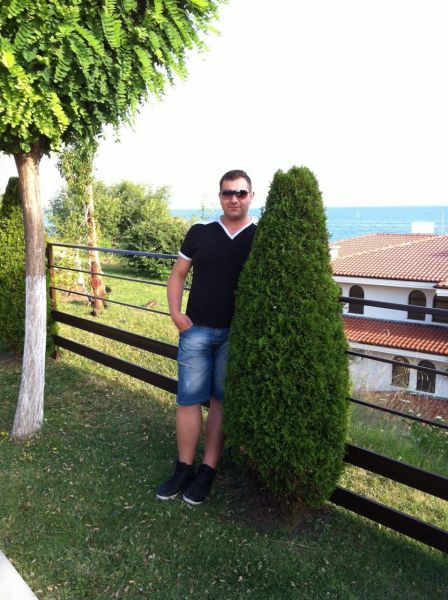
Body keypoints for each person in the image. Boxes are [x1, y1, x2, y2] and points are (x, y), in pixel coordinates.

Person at [156, 169, 256, 505]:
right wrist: (175, 313)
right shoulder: (200, 231)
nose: (234, 199)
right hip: (196, 330)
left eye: (241, 193)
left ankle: (207, 472)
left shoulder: (260, 237)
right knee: (187, 400)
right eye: (228, 193)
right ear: (220, 197)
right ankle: (183, 468)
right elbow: (178, 275)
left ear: (251, 196)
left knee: (219, 401)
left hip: (235, 335)